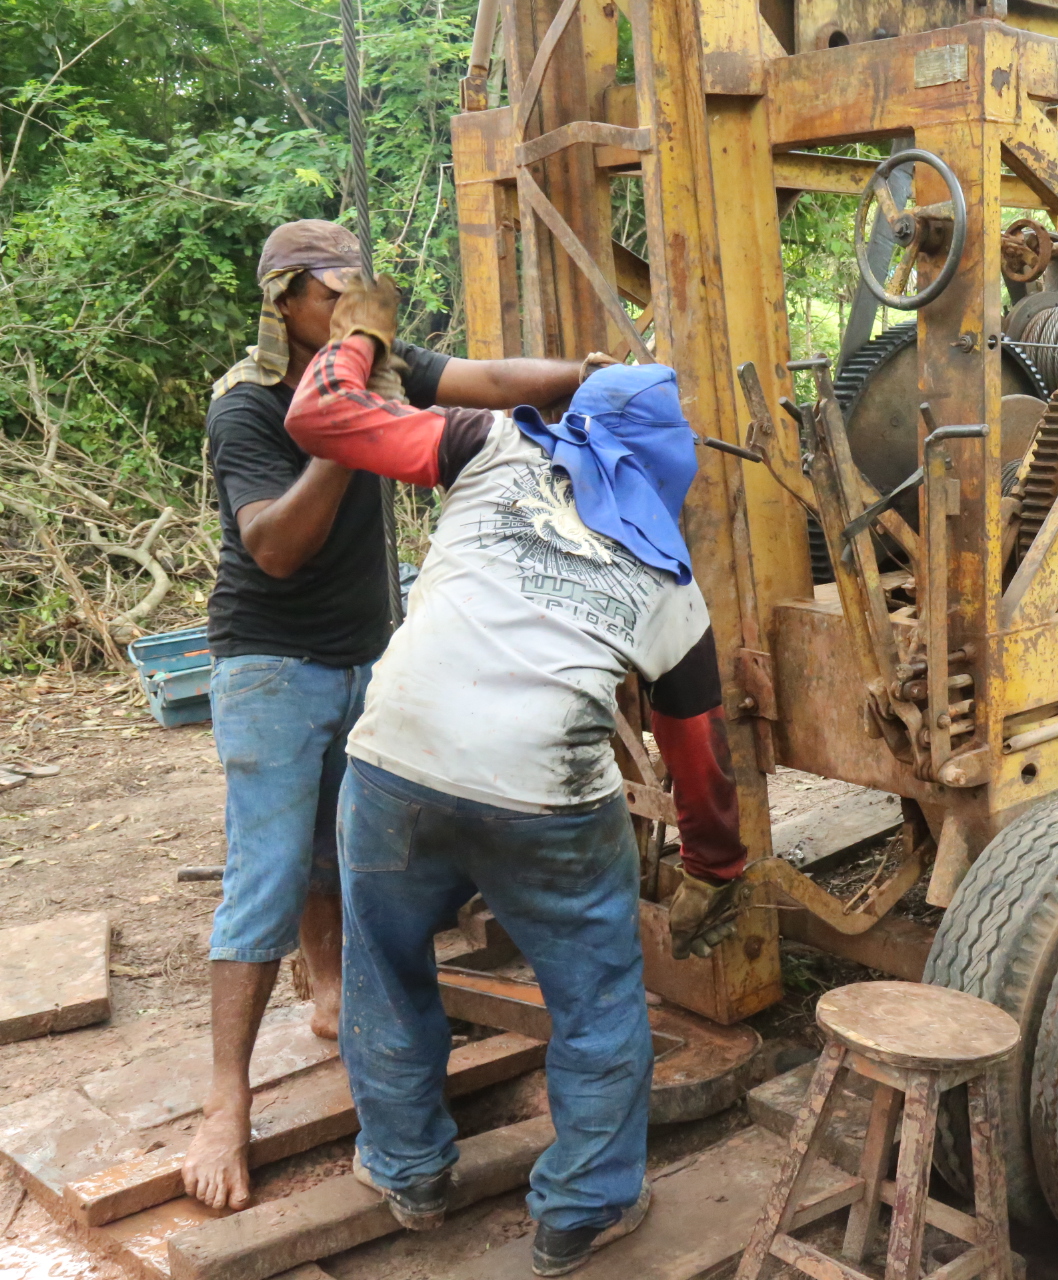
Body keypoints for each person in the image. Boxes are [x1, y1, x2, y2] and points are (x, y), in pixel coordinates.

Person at [282, 272, 750, 1277]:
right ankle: (583, 1207)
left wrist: (357, 338)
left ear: (573, 423)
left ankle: (407, 1171)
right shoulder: (671, 584)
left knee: (387, 960)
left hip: (397, 758)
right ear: (673, 466)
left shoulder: (486, 448)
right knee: (595, 995)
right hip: (544, 795)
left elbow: (323, 415)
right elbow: (699, 761)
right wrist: (718, 867)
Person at [185, 219, 600, 1213]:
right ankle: (223, 1101)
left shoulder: (371, 363)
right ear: (285, 303)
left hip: (365, 652)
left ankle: (331, 996)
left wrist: (580, 377)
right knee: (265, 876)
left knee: (346, 852)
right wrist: (348, 424)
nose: (352, 315)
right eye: (334, 298)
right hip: (271, 665)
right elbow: (276, 547)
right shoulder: (250, 405)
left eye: (360, 297)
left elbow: (487, 379)